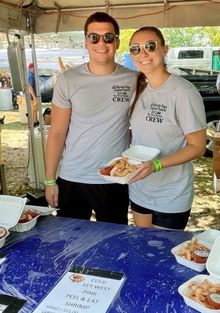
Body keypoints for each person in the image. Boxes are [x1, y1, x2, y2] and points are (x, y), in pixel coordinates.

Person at [45, 12, 137, 224]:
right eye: (94, 37)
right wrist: (50, 180)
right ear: (86, 41)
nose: (101, 43)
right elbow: (58, 132)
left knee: (112, 245)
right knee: (70, 245)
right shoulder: (68, 79)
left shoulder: (133, 80)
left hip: (114, 177)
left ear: (117, 41)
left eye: (108, 37)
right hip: (73, 177)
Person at [127, 26, 207, 230]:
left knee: (161, 256)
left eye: (150, 46)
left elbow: (197, 147)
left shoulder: (183, 92)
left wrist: (156, 165)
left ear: (165, 49)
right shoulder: (139, 89)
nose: (142, 53)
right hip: (139, 188)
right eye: (135, 48)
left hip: (171, 194)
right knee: (143, 248)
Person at [27, 63, 39, 127]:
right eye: (35, 67)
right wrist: (34, 97)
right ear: (31, 68)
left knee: (35, 109)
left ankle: (35, 122)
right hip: (32, 96)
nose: (36, 69)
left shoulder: (31, 74)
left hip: (33, 96)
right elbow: (30, 87)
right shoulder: (31, 75)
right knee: (33, 110)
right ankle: (31, 124)